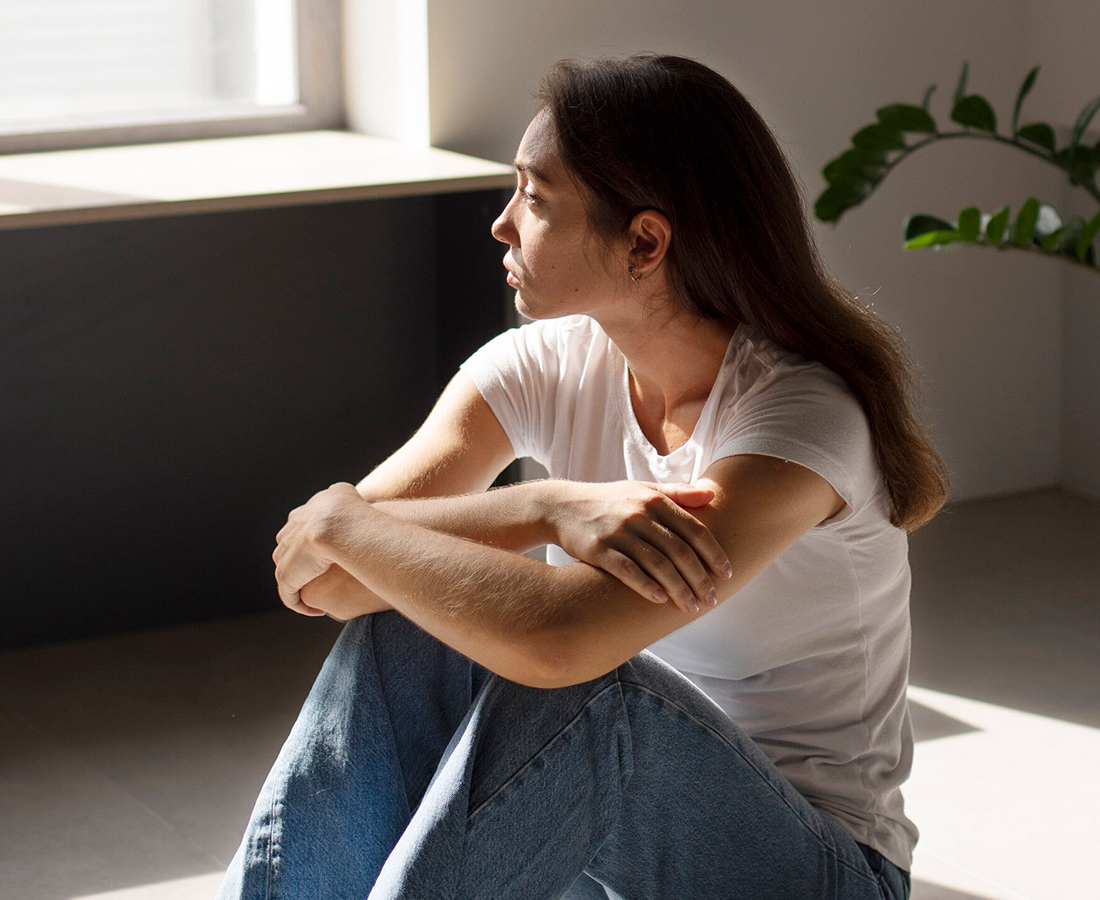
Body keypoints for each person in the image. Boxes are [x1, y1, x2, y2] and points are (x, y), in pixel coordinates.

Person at [219, 54, 948, 900]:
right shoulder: (537, 367)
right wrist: (543, 507)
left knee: (586, 696)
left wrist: (345, 516)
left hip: (812, 868)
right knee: (407, 620)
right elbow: (329, 581)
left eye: (533, 196)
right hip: (600, 860)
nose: (501, 225)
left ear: (644, 241)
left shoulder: (800, 420)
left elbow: (564, 643)